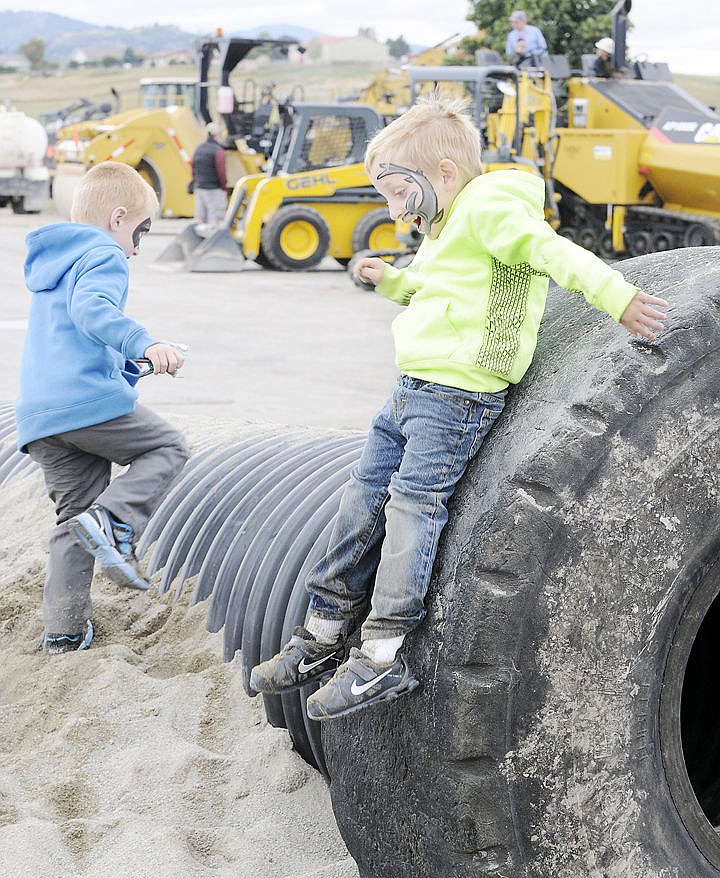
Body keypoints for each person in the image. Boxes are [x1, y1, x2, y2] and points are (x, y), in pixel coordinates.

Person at [249, 96, 668, 721]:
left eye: (398, 193)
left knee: (413, 507)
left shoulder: (492, 208)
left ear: (444, 174)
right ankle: (323, 631)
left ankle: (382, 655)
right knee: (361, 496)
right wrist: (387, 279)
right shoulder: (446, 227)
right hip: (413, 385)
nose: (394, 210)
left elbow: (552, 254)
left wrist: (619, 297)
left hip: (460, 391)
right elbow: (433, 288)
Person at [16, 160, 191, 655]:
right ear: (118, 218)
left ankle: (65, 633)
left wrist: (133, 363)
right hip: (83, 404)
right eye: (141, 232)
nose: (137, 248)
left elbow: (74, 335)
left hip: (42, 416)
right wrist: (144, 339)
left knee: (73, 518)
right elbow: (93, 311)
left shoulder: (56, 261)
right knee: (167, 447)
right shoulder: (104, 253)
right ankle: (113, 523)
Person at [191, 121, 228, 230]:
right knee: (215, 219)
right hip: (213, 189)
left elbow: (193, 168)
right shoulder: (218, 151)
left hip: (199, 188)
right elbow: (221, 171)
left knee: (199, 218)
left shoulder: (199, 149)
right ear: (216, 135)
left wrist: (196, 182)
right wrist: (224, 186)